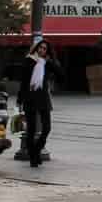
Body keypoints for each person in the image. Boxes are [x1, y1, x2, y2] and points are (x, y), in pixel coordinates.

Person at [17, 39, 61, 168]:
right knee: (30, 130)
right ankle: (33, 157)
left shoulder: (47, 63)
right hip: (30, 98)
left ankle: (36, 151)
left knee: (46, 128)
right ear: (36, 48)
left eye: (44, 48)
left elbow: (60, 74)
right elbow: (23, 82)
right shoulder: (29, 61)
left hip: (43, 98)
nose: (42, 50)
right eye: (40, 47)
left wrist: (51, 62)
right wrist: (19, 101)